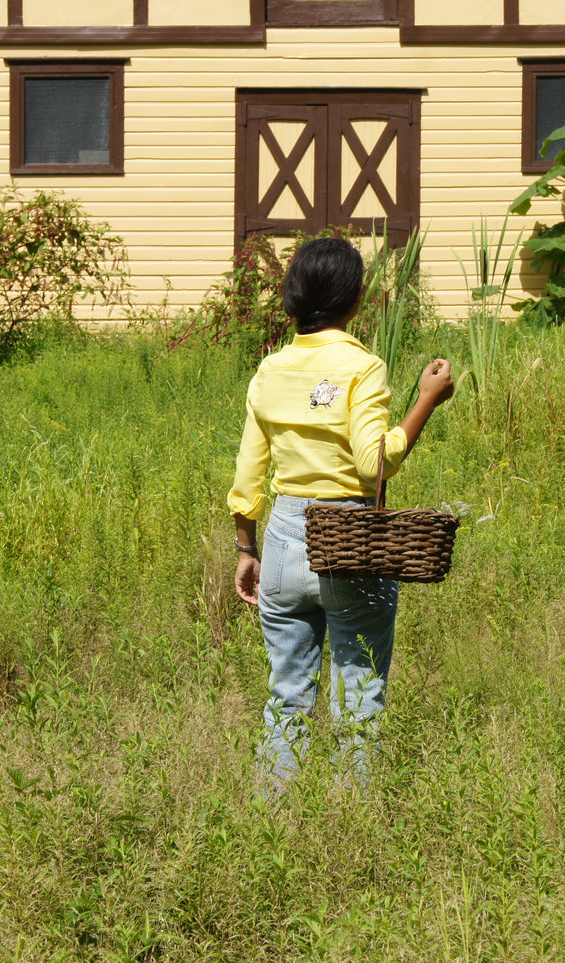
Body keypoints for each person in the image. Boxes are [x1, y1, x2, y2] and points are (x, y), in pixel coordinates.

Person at [227, 236, 455, 792]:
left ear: (295, 295)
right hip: (350, 541)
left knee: (286, 695)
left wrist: (246, 549)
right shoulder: (361, 366)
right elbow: (374, 463)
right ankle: (352, 820)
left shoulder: (270, 370)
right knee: (358, 697)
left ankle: (273, 816)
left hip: (282, 539)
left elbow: (248, 472)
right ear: (354, 298)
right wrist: (426, 400)